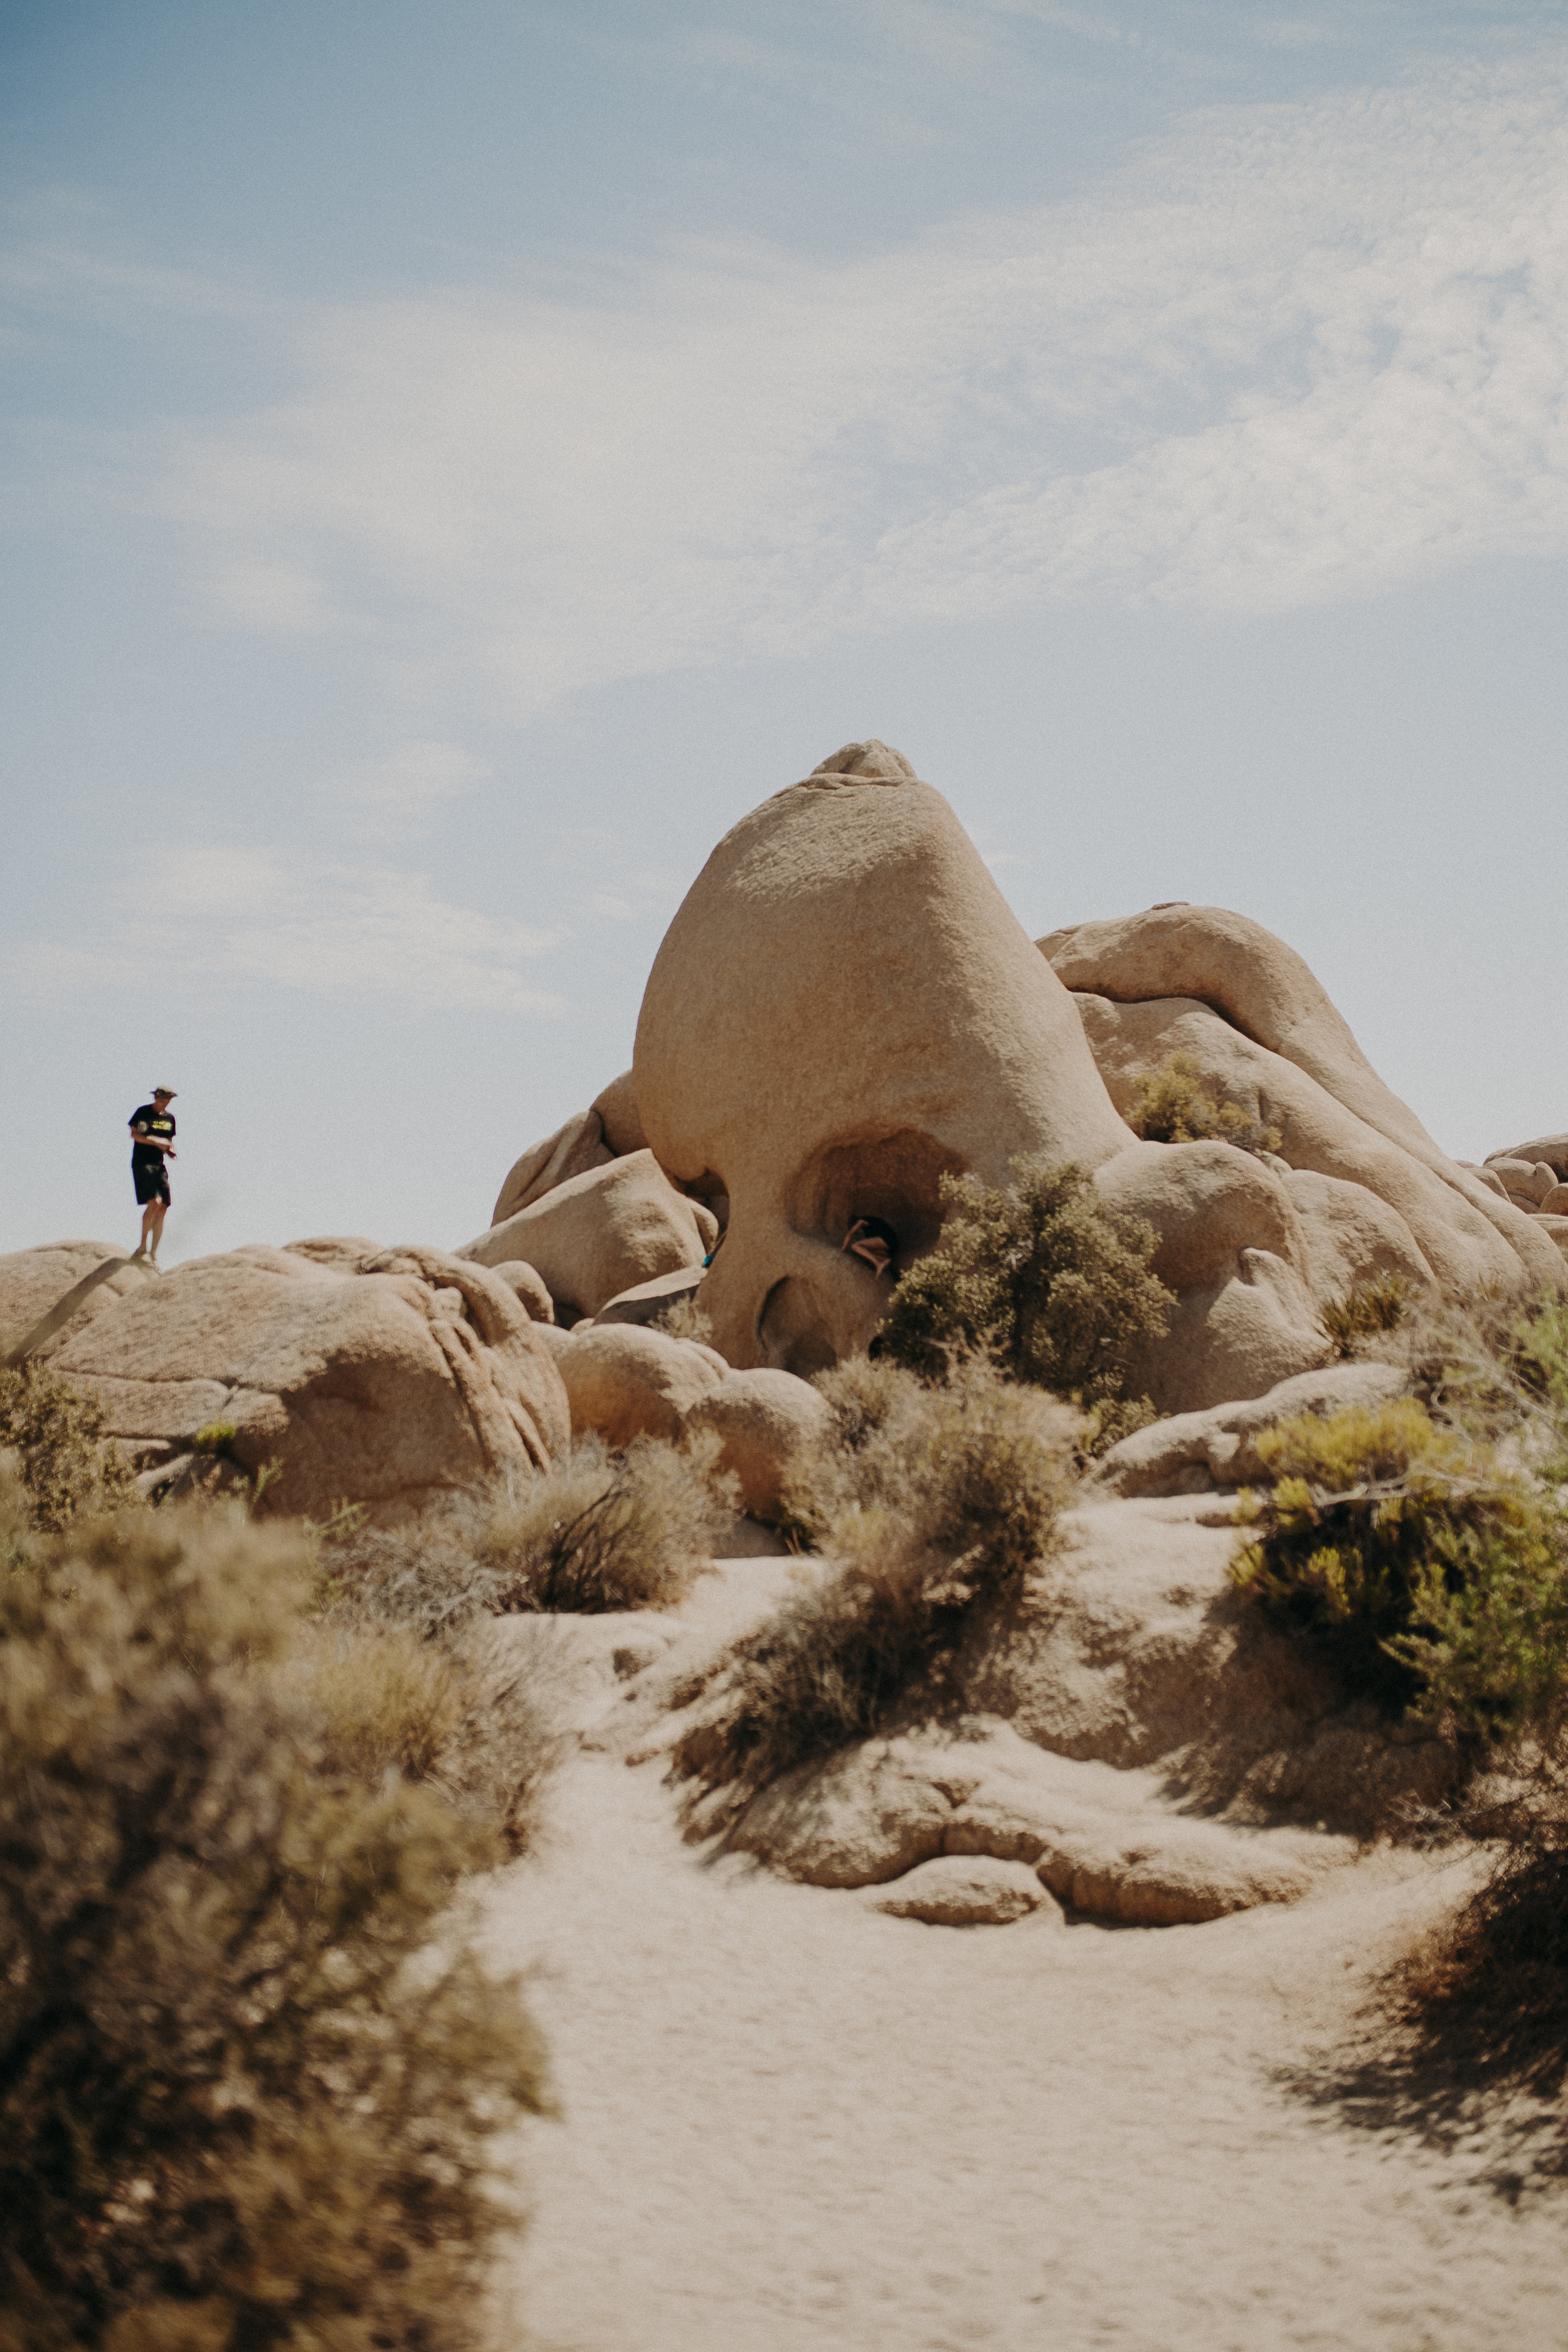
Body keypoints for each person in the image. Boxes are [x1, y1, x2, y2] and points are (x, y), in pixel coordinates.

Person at [129, 1086, 177, 1264]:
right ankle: (142, 1247)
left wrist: (171, 1150)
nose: (165, 1103)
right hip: (142, 1163)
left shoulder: (169, 1119)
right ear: (156, 1097)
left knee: (164, 1206)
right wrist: (157, 1141)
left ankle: (153, 1253)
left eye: (168, 1100)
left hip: (159, 1164)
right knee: (154, 1203)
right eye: (163, 1099)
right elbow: (135, 1135)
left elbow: (170, 1142)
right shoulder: (143, 1112)